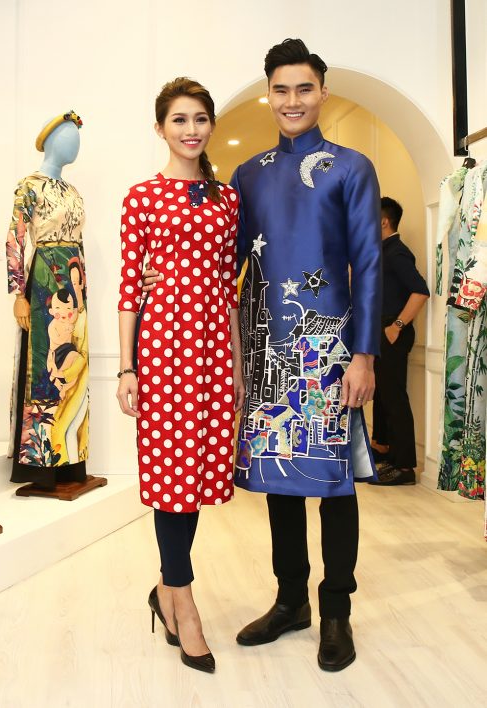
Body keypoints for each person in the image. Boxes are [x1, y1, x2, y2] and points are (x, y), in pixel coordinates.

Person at [143, 39, 382, 672]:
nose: (292, 100)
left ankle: (336, 610)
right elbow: (221, 260)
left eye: (304, 88)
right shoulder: (247, 176)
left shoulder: (352, 168)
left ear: (322, 92)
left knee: (334, 484)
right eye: (281, 89)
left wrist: (364, 355)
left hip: (330, 351)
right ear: (267, 94)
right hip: (266, 349)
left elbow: (369, 263)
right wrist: (164, 287)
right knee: (279, 481)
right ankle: (290, 601)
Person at [116, 77, 244, 674]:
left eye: (200, 119)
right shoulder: (142, 197)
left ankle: (165, 588)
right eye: (179, 120)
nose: (191, 130)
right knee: (171, 479)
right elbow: (128, 289)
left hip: (214, 352)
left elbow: (228, 287)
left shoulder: (227, 199)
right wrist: (127, 367)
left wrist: (237, 365)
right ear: (160, 128)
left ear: (211, 125)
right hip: (164, 353)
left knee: (195, 480)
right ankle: (183, 605)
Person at [6, 110, 89, 487]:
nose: (76, 145)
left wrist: (82, 290)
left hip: (74, 282)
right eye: (70, 137)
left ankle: (71, 456)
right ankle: (39, 463)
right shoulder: (29, 186)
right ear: (52, 141)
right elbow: (14, 239)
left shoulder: (73, 191)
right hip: (43, 281)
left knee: (74, 357)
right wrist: (17, 293)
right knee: (43, 362)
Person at [370, 197, 429, 485]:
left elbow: (420, 291)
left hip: (392, 333)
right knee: (382, 394)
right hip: (380, 332)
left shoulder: (397, 252)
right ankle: (383, 449)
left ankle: (405, 467)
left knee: (394, 398)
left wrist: (396, 326)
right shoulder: (382, 251)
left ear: (383, 221)